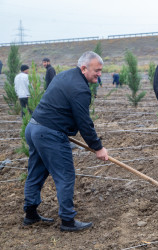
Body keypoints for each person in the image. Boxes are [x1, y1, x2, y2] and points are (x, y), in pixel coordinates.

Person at [23, 51, 109, 232]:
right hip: (49, 134)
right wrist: (98, 147)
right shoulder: (80, 89)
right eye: (97, 70)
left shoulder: (64, 76)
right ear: (84, 68)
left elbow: (56, 104)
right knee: (65, 175)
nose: (100, 74)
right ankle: (68, 220)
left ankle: (30, 214)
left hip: (33, 128)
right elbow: (84, 123)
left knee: (36, 172)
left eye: (101, 70)